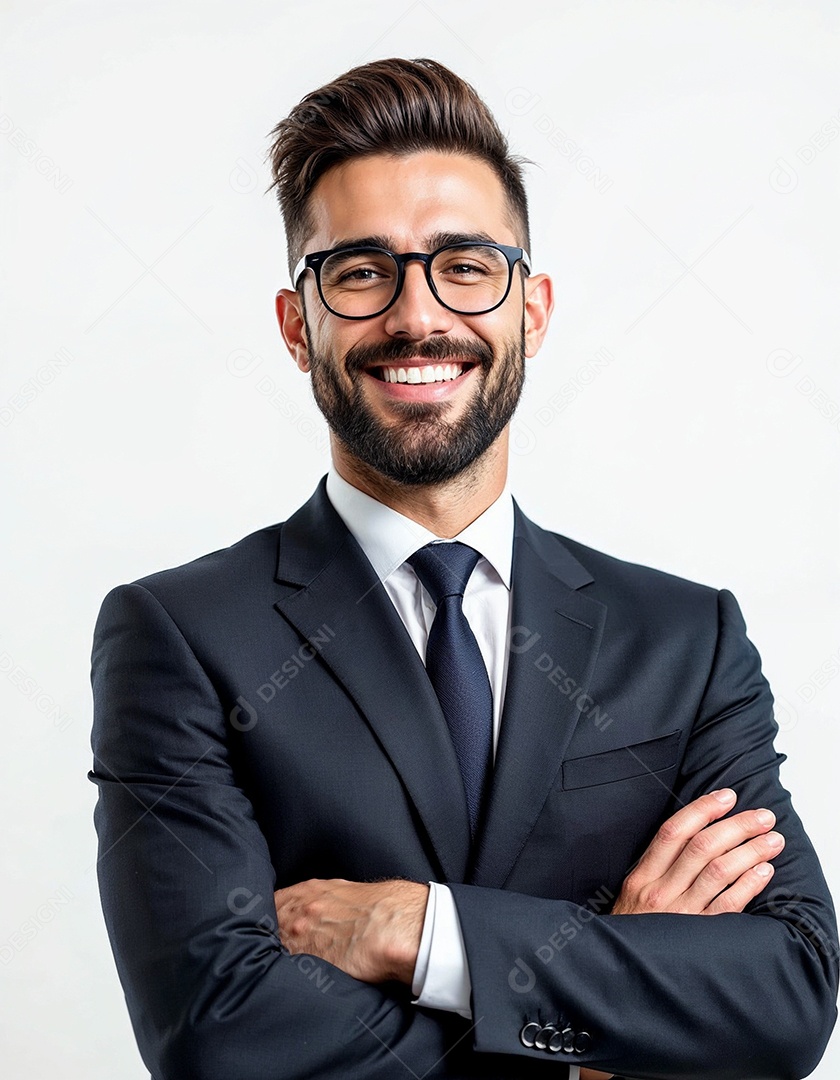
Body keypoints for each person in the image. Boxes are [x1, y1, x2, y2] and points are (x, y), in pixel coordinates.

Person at [89, 57, 837, 1080]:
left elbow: (790, 990)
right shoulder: (180, 636)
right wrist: (600, 1024)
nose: (417, 316)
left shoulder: (685, 640)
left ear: (531, 308)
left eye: (465, 265)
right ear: (295, 326)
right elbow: (218, 1035)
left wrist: (428, 934)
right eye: (359, 272)